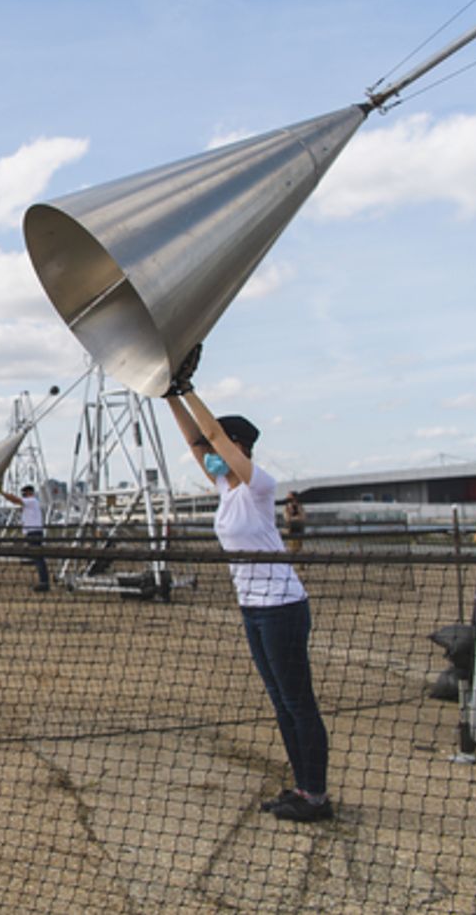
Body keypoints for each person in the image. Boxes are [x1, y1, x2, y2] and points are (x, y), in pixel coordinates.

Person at [164, 344, 332, 823]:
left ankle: (317, 796)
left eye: (221, 452)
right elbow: (198, 442)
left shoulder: (259, 486)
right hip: (254, 609)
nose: (210, 458)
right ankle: (302, 789)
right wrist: (167, 396)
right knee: (281, 702)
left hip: (281, 607)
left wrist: (189, 387)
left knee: (299, 702)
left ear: (238, 450)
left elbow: (211, 433)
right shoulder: (225, 488)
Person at [0, 485, 50, 591]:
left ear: (29, 493)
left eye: (24, 494)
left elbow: (15, 500)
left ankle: (44, 583)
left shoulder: (31, 501)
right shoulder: (31, 503)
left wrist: (2, 493)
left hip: (34, 533)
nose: (23, 496)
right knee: (37, 558)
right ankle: (44, 581)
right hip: (33, 532)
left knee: (38, 558)